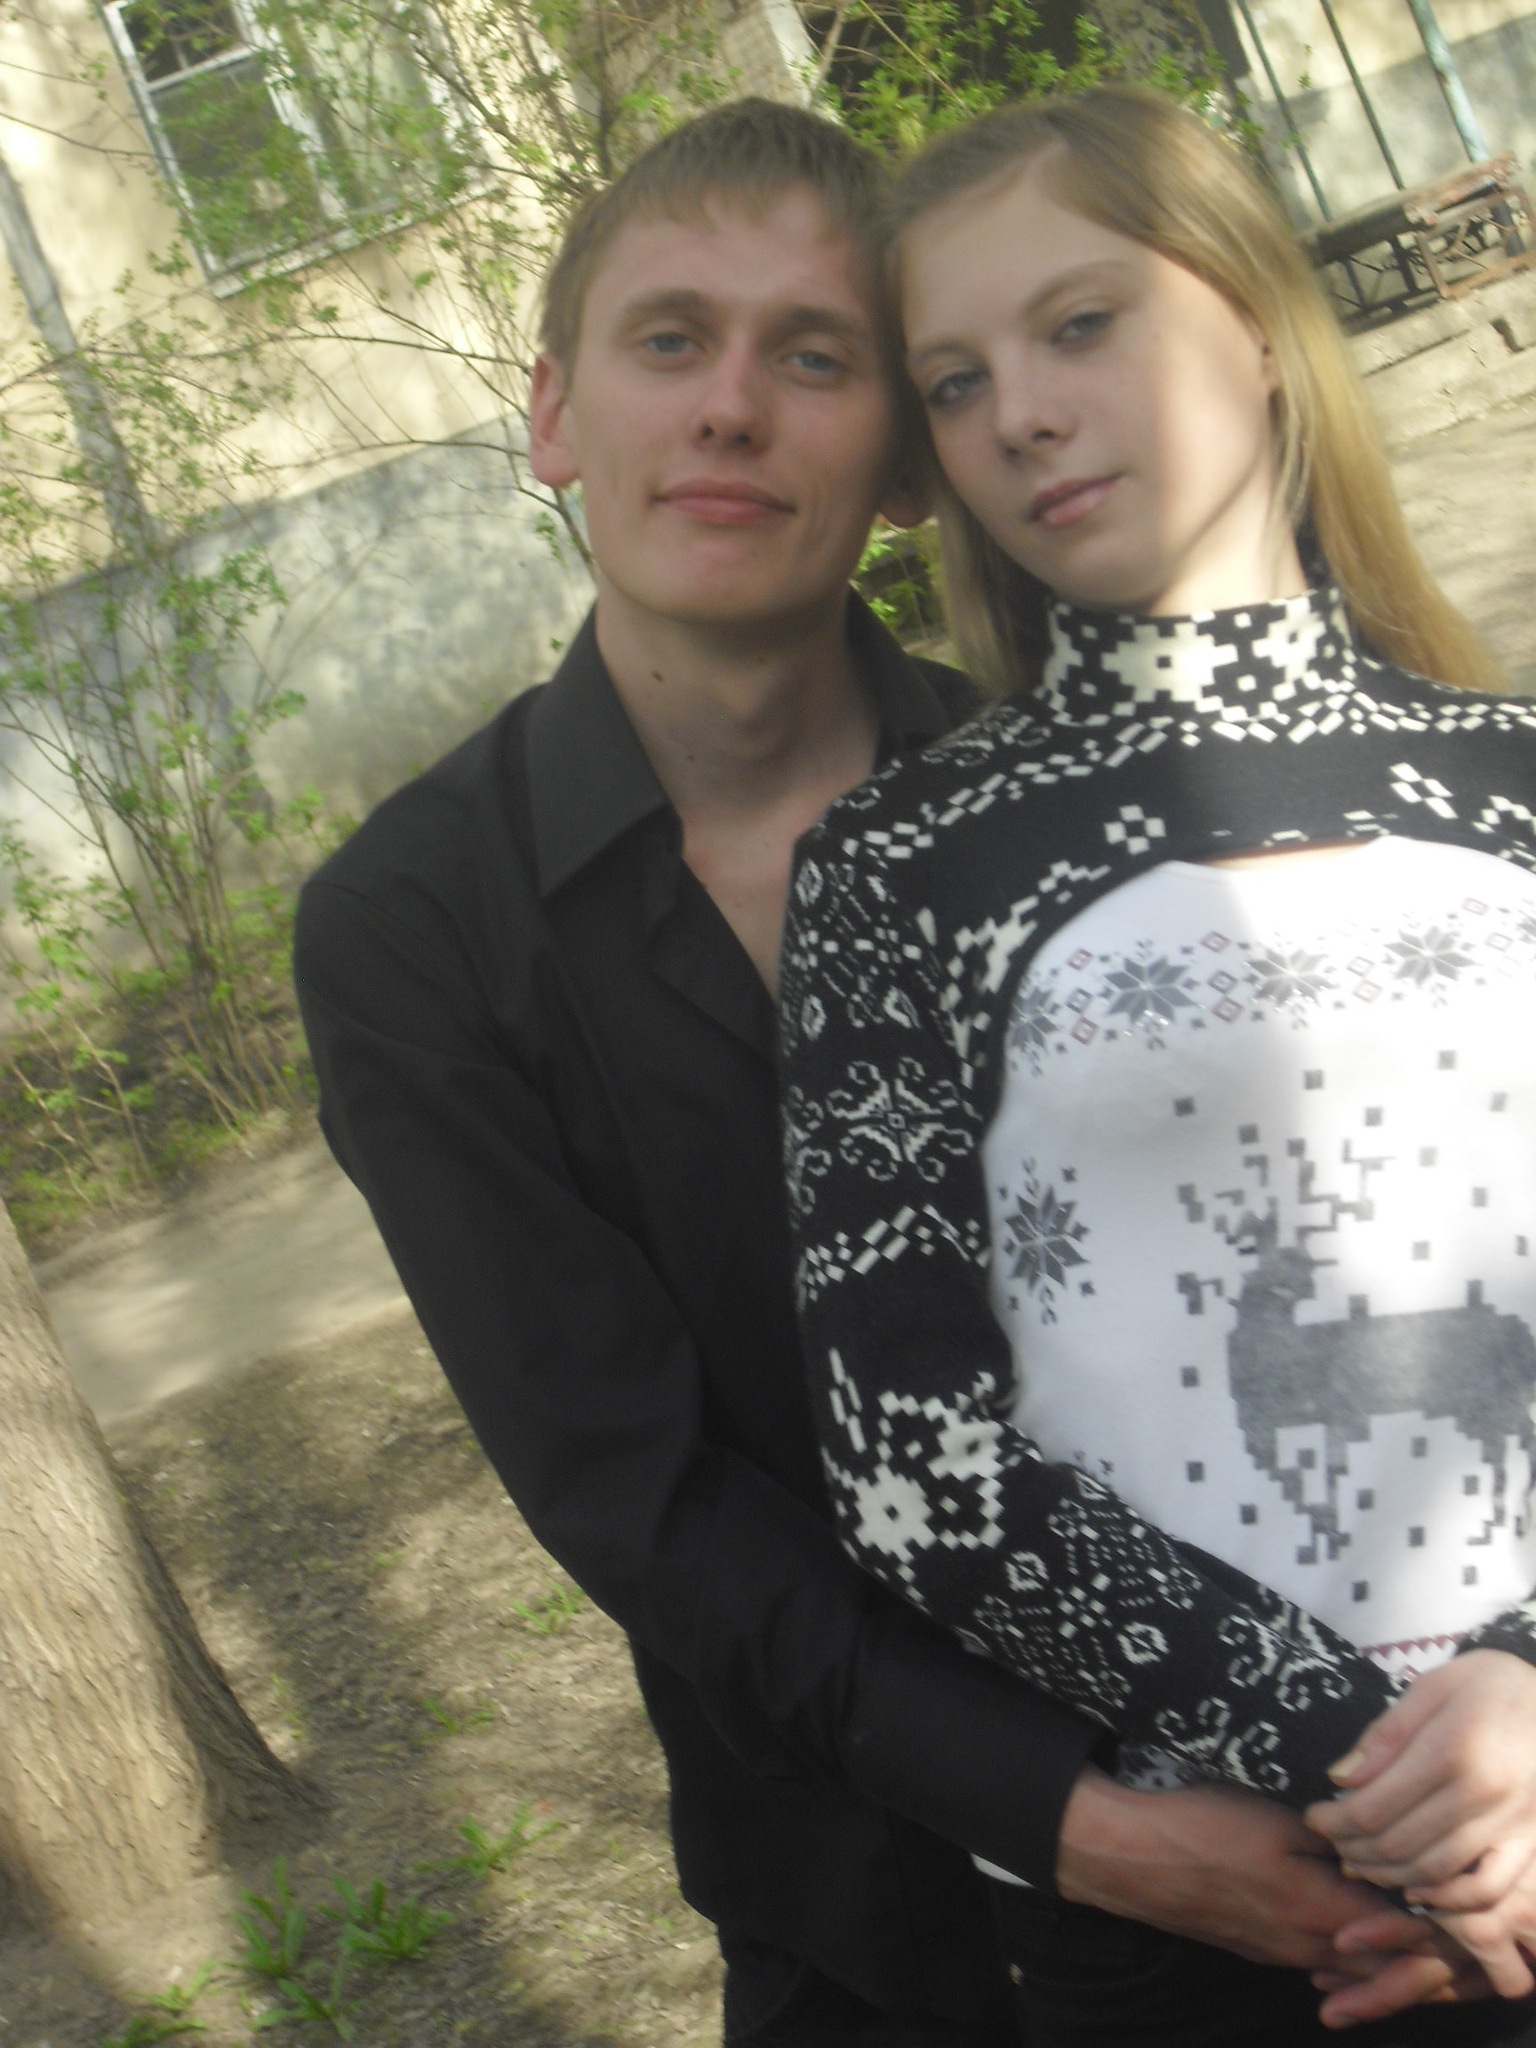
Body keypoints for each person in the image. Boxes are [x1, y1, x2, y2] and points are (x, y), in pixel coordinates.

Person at [779, 85, 1536, 2046]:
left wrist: (1530, 1704)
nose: (1019, 415)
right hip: (1214, 1923)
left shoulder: (1515, 780)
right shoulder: (897, 868)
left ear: (1262, 324)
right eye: (955, 382)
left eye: (1081, 324)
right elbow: (912, 1458)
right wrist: (1381, 1791)